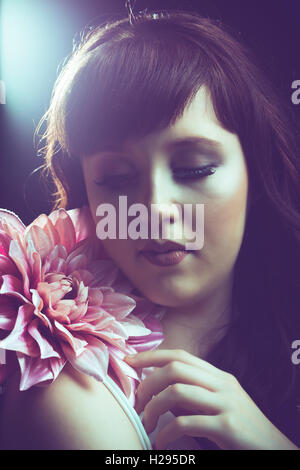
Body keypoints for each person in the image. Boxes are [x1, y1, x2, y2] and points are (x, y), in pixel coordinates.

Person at [0, 9, 299, 450]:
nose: (155, 210)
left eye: (194, 168)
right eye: (117, 180)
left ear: (254, 173)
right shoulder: (62, 386)